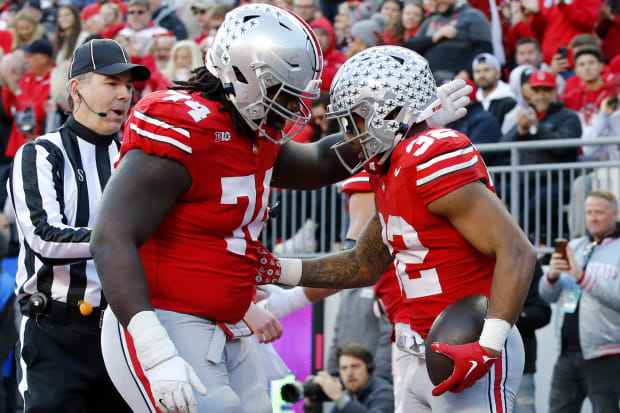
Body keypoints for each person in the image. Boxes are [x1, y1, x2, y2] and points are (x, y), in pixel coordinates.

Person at [89, 6, 472, 413]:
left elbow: (320, 163)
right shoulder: (185, 126)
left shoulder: (249, 133)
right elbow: (110, 239)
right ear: (242, 75)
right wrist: (155, 350)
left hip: (229, 325)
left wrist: (406, 125)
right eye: (282, 90)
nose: (293, 105)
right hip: (167, 321)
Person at [266, 45, 536, 412]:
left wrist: (487, 346)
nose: (349, 133)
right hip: (416, 352)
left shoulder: (428, 154)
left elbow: (518, 250)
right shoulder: (389, 168)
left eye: (355, 119)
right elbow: (362, 264)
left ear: (390, 111)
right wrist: (275, 268)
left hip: (466, 348)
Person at [8, 38, 150, 413]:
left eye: (129, 86)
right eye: (112, 83)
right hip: (56, 331)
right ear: (77, 89)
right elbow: (44, 238)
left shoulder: (136, 160)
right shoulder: (41, 152)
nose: (125, 95)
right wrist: (118, 240)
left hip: (123, 334)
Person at [539, 190, 620, 413]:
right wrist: (552, 277)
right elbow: (547, 296)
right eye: (589, 212)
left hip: (606, 355)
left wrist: (582, 277)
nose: (593, 218)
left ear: (615, 214)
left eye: (599, 212)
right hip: (566, 354)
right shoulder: (574, 245)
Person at [406, 0, 492, 83]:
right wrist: (435, 36)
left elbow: (484, 49)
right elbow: (410, 48)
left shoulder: (474, 16)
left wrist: (467, 72)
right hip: (426, 79)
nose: (439, 1)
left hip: (455, 78)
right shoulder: (430, 21)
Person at [305, 343, 394, 413]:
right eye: (344, 368)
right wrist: (311, 406)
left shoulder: (384, 392)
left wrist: (339, 397)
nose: (349, 373)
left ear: (369, 367)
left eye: (355, 366)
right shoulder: (350, 394)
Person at [514, 261, 551, 413]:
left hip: (520, 364)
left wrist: (510, 315)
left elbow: (542, 312)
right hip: (479, 365)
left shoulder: (526, 259)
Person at [471, 52, 517, 133]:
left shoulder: (510, 100)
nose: (481, 75)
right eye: (477, 71)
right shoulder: (473, 100)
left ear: (498, 74)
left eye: (486, 70)